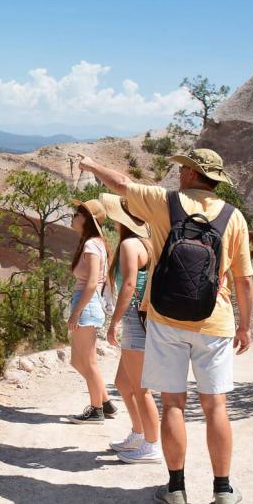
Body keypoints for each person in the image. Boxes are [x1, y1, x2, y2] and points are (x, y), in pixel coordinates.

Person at [78, 149, 253, 504]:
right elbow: (243, 280)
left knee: (173, 403)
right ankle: (222, 491)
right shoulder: (233, 217)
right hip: (215, 321)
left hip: (166, 320)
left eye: (182, 168)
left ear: (191, 174)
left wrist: (92, 165)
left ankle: (175, 490)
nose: (179, 173)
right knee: (215, 405)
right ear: (216, 179)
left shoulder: (165, 202)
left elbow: (121, 186)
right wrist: (245, 326)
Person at [99, 193, 161, 464]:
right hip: (140, 319)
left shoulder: (129, 245)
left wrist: (113, 323)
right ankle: (138, 433)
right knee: (124, 384)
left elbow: (129, 286)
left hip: (135, 320)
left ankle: (151, 445)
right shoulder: (146, 242)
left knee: (140, 388)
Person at [64, 198, 117, 424]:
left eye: (78, 213)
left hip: (86, 305)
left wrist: (76, 312)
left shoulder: (91, 245)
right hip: (88, 304)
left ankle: (96, 410)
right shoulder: (96, 243)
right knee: (78, 361)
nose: (74, 216)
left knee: (89, 361)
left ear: (87, 220)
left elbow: (93, 281)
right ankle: (104, 402)